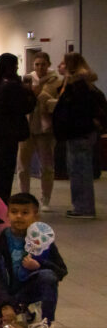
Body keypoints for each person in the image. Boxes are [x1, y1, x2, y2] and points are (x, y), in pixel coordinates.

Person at [0, 193, 67, 328]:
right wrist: (4, 304)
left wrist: (39, 265)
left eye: (25, 213)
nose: (19, 216)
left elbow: (61, 270)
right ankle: (16, 311)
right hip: (5, 291)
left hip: (27, 291)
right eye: (14, 212)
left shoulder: (43, 241)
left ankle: (47, 322)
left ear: (36, 216)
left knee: (48, 276)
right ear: (7, 214)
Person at [48, 53, 105, 219]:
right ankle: (82, 206)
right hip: (82, 132)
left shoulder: (78, 84)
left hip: (79, 133)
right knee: (79, 170)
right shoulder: (86, 83)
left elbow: (76, 109)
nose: (60, 65)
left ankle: (84, 207)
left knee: (80, 171)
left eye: (63, 63)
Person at [0, 53, 37, 201]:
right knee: (6, 169)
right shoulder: (12, 86)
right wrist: (30, 93)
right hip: (9, 133)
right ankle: (3, 200)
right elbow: (24, 107)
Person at [18, 53, 62, 210]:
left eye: (43, 64)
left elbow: (57, 103)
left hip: (45, 128)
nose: (40, 67)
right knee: (23, 166)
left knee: (47, 166)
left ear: (48, 64)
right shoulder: (27, 80)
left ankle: (46, 199)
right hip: (27, 128)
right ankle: (25, 195)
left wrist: (40, 94)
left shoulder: (56, 80)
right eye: (37, 64)